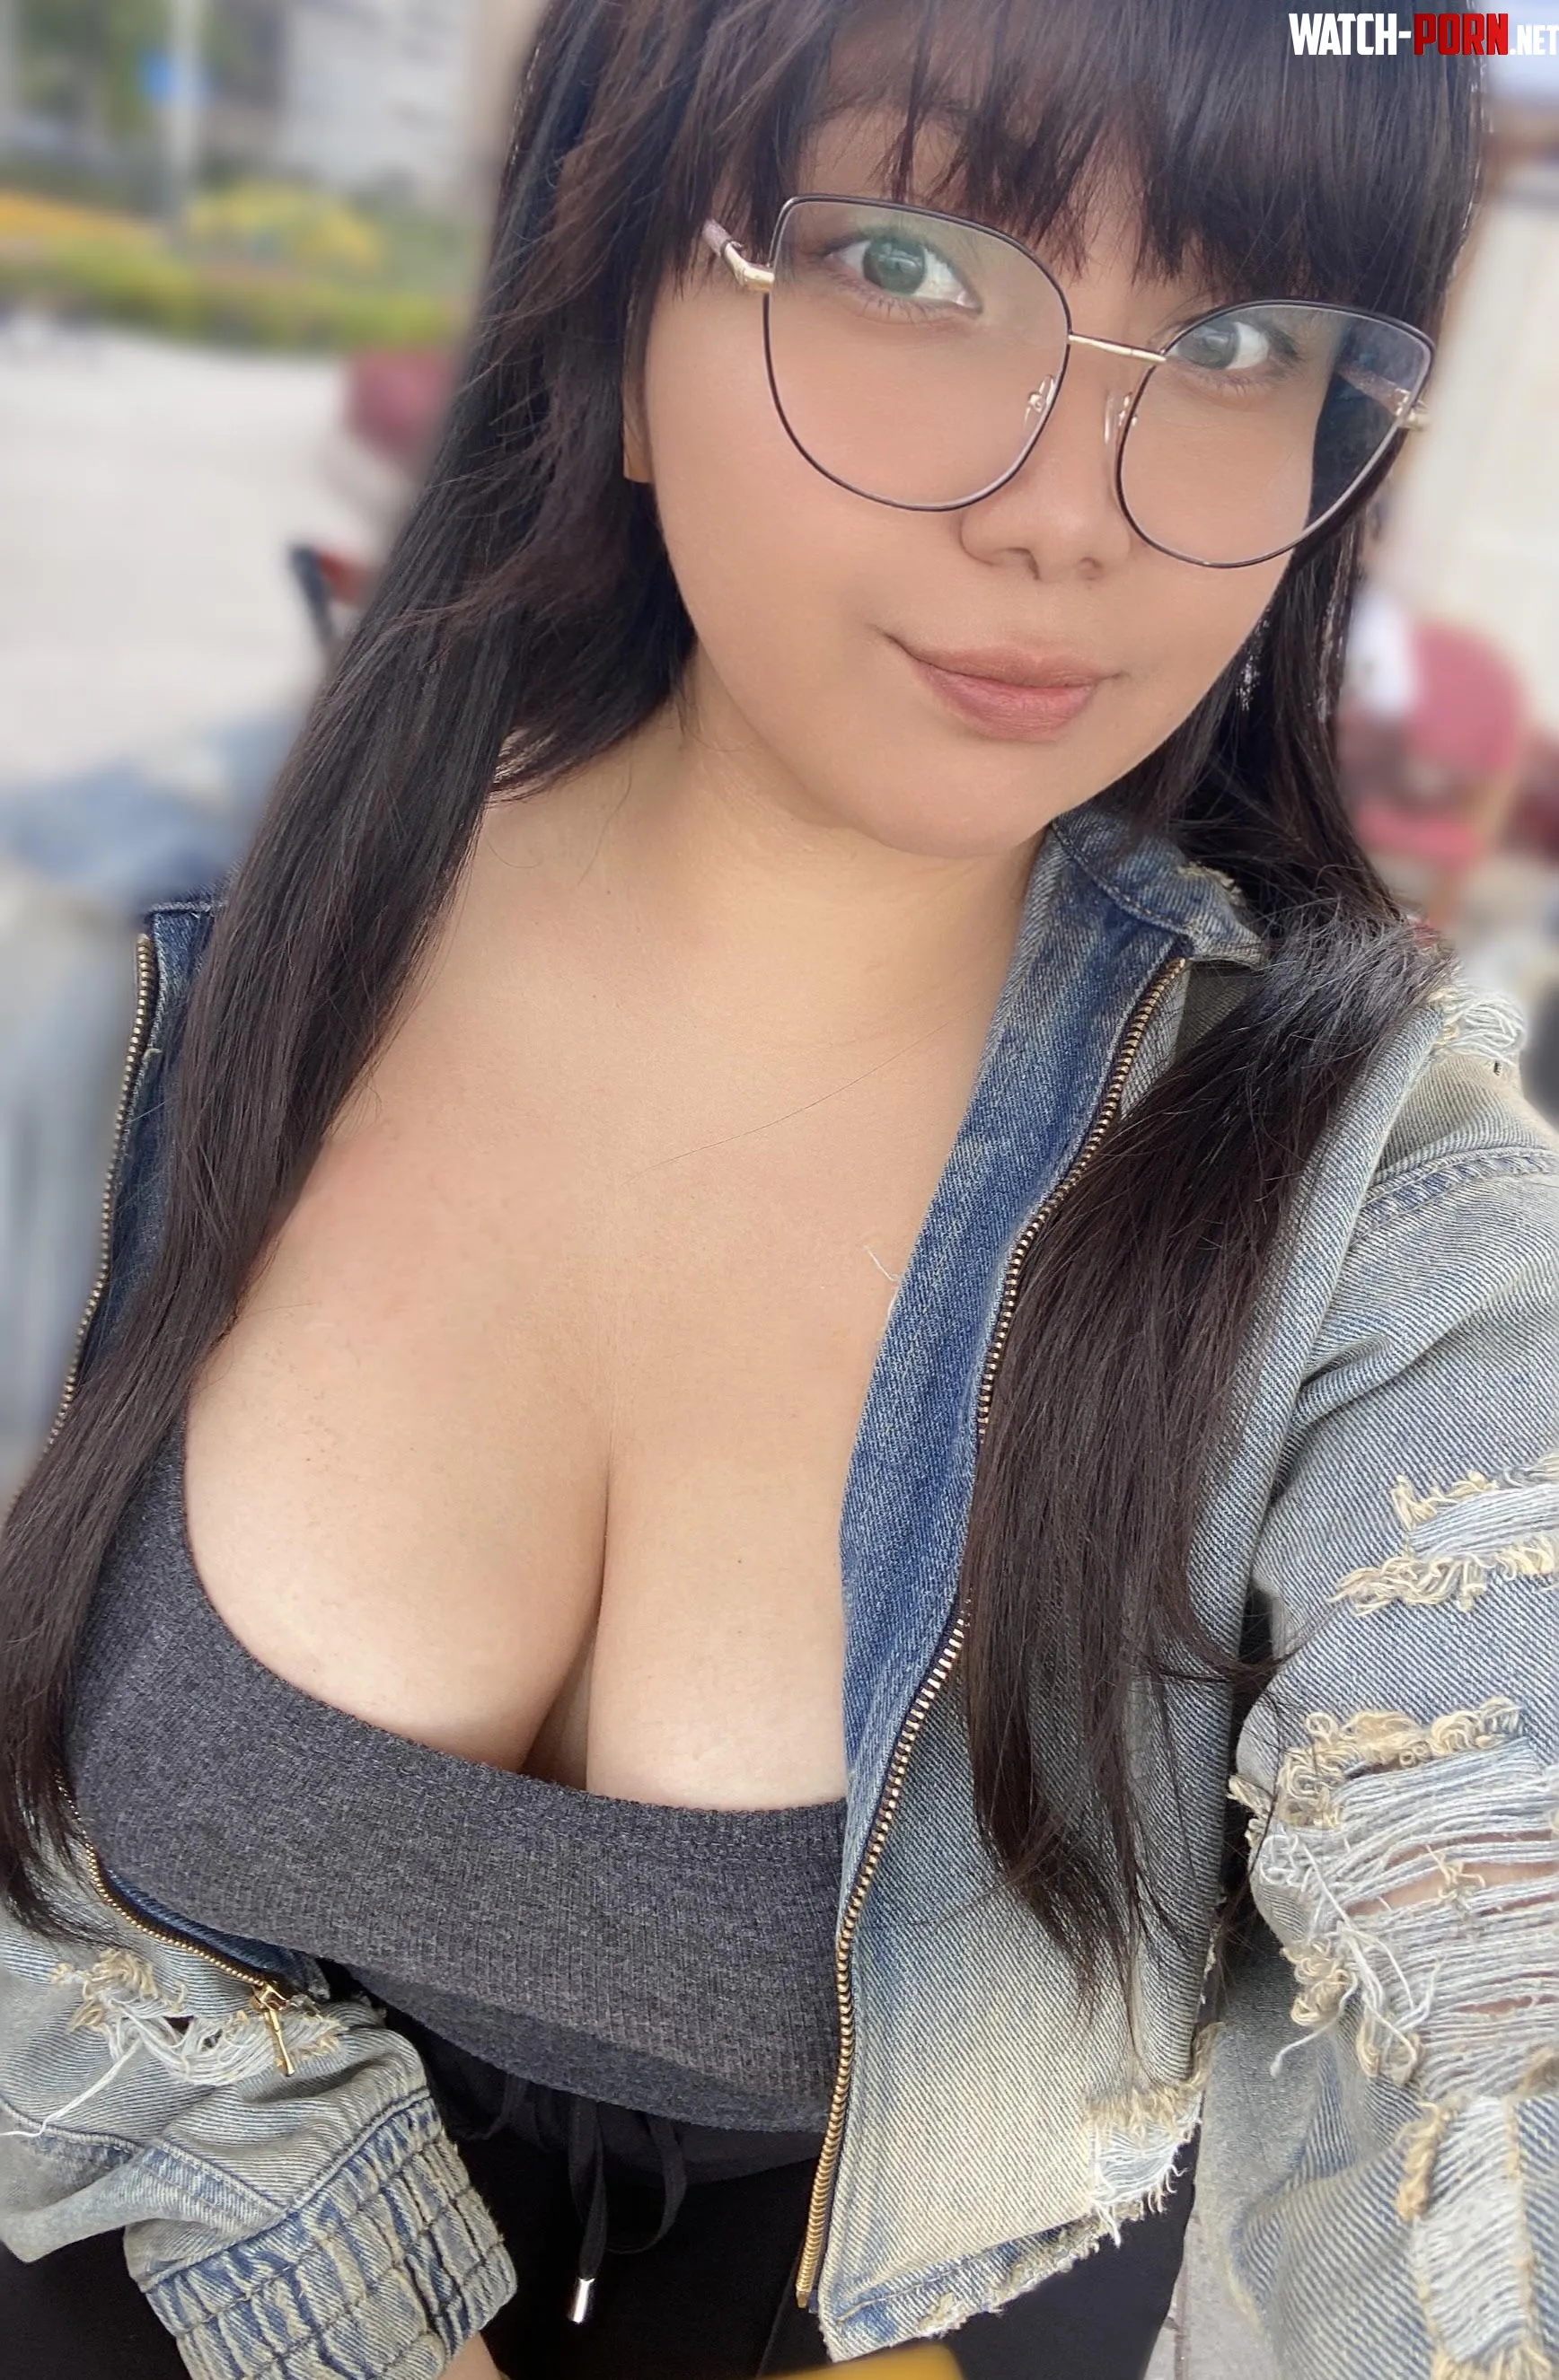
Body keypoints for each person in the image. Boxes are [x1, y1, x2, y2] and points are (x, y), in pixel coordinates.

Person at [1, 4, 1555, 2377]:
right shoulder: (132, 982)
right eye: (908, 265)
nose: (1073, 510)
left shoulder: (1370, 1205)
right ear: (615, 295)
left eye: (1241, 339)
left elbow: (1499, 1928)